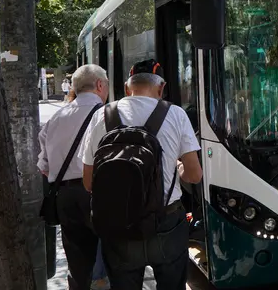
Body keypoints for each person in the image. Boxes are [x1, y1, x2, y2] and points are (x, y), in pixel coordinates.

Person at [80, 59, 202, 290]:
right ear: (161, 87)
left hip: (119, 226)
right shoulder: (176, 114)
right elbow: (194, 176)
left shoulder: (102, 116)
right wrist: (177, 168)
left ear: (127, 88)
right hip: (166, 223)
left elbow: (88, 182)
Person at [38, 65, 109, 290]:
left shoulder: (56, 118)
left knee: (77, 261)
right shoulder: (109, 115)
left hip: (66, 196)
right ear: (100, 85)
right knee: (108, 256)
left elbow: (44, 167)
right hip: (99, 193)